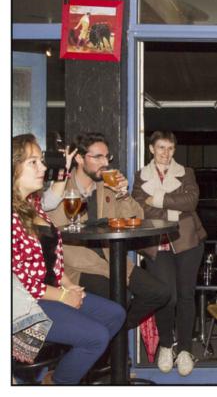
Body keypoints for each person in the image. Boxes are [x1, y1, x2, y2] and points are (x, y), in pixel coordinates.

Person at [12, 134, 125, 384]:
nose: (43, 168)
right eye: (33, 162)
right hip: (23, 306)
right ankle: (57, 383)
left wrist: (69, 285)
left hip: (50, 292)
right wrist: (63, 296)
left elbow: (50, 259)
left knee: (115, 314)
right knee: (96, 337)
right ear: (13, 167)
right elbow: (20, 283)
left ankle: (62, 372)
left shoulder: (33, 204)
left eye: (41, 160)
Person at [46, 132, 170, 331]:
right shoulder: (61, 190)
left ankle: (115, 333)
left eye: (107, 157)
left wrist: (123, 194)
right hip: (79, 267)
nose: (105, 163)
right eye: (98, 157)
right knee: (120, 298)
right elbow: (60, 236)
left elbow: (136, 218)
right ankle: (109, 338)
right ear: (79, 158)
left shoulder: (108, 186)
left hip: (112, 260)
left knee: (159, 293)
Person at [132, 131, 207, 376]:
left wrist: (157, 199)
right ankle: (166, 345)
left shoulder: (186, 173)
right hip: (157, 244)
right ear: (151, 149)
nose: (166, 153)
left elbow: (191, 202)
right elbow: (140, 208)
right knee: (167, 296)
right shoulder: (140, 176)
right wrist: (174, 206)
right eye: (161, 147)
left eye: (170, 148)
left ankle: (184, 350)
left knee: (186, 296)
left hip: (187, 242)